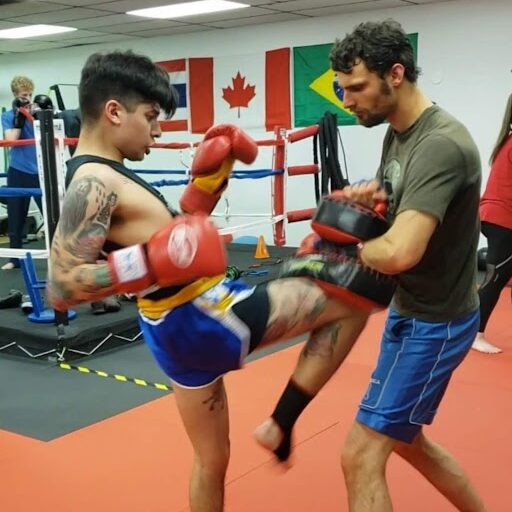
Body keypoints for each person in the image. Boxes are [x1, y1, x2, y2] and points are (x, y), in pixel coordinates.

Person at [47, 50, 382, 512]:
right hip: (202, 319)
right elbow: (62, 286)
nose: (158, 130)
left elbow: (175, 233)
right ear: (113, 111)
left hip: (170, 332)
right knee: (358, 292)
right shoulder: (93, 182)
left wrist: (210, 180)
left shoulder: (106, 176)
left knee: (212, 459)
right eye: (150, 117)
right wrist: (151, 261)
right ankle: (281, 422)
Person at [255, 20, 487, 512]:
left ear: (396, 74)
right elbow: (394, 214)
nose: (347, 100)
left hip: (438, 323)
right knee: (406, 441)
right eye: (342, 88)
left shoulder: (440, 144)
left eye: (357, 87)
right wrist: (372, 202)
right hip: (410, 310)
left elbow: (401, 250)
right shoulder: (399, 135)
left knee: (360, 455)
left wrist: (334, 254)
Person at [472, 93, 512, 354]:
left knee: (500, 274)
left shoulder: (507, 140)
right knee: (496, 277)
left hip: (495, 216)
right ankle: (473, 333)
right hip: (502, 219)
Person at [1, 75, 40, 270]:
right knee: (16, 218)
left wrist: (38, 116)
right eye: (24, 95)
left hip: (41, 172)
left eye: (30, 94)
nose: (28, 98)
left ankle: (60, 257)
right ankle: (14, 259)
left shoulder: (38, 115)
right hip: (18, 172)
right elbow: (10, 141)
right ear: (16, 96)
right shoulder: (8, 116)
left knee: (53, 217)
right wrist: (19, 118)